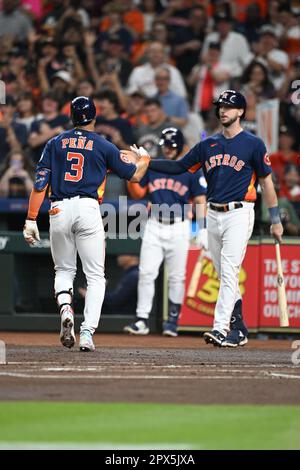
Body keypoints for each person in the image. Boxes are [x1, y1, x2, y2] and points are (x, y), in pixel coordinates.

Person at [122, 90, 283, 347]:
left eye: (229, 107)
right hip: (214, 213)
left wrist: (275, 219)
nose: (223, 111)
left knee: (229, 272)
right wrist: (147, 161)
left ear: (241, 111)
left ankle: (220, 328)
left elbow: (267, 182)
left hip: (240, 212)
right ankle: (239, 328)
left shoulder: (253, 144)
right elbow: (179, 167)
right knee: (224, 274)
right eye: (220, 106)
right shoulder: (208, 144)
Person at [22, 96, 150, 352]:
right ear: (95, 116)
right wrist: (144, 158)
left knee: (64, 271)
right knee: (95, 277)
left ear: (71, 117)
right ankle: (88, 333)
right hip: (88, 208)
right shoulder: (103, 144)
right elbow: (135, 176)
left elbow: (39, 184)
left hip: (58, 209)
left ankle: (67, 308)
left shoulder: (54, 142)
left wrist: (30, 218)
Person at [124, 128, 207, 337]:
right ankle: (142, 319)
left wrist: (203, 227)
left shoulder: (190, 169)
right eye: (165, 146)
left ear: (179, 146)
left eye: (171, 146)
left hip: (180, 225)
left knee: (177, 277)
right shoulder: (153, 166)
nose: (168, 149)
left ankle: (172, 321)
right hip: (154, 223)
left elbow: (200, 201)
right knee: (146, 273)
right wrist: (131, 171)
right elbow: (137, 191)